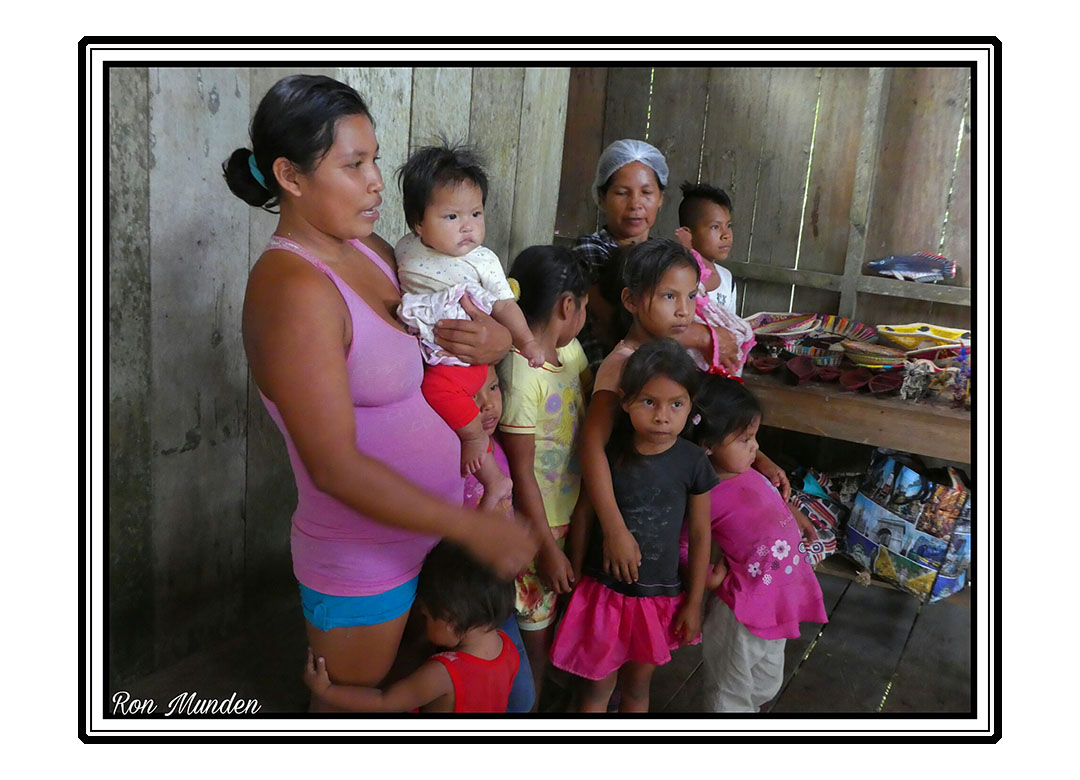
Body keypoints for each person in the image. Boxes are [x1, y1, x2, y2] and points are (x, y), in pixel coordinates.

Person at [223, 74, 536, 707]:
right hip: (367, 556)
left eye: (375, 160)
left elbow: (441, 334)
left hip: (439, 529)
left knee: (439, 696)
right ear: (289, 175)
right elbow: (334, 466)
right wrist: (470, 529)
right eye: (353, 164)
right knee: (352, 710)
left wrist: (498, 343)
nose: (376, 182)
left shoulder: (370, 249)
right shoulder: (292, 289)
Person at [578, 239, 789, 589]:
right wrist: (615, 528)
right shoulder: (622, 365)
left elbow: (708, 419)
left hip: (672, 503)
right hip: (635, 513)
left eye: (691, 296)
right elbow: (591, 445)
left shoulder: (674, 357)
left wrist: (759, 459)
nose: (684, 311)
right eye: (668, 296)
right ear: (630, 300)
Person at [549, 340, 716, 712]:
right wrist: (576, 572)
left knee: (638, 690)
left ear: (691, 406)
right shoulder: (609, 455)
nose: (662, 416)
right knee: (596, 690)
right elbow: (585, 513)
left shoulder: (693, 462)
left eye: (676, 404)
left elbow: (701, 534)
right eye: (649, 402)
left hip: (657, 597)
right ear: (625, 402)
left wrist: (694, 601)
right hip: (602, 594)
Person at [395, 141, 544, 507]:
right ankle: (490, 481)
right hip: (435, 350)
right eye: (451, 217)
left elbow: (504, 304)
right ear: (418, 223)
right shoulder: (404, 248)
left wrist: (526, 341)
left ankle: (478, 445)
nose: (468, 227)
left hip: (463, 360)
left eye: (476, 214)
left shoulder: (483, 260)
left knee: (437, 390)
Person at [682, 375, 827, 712]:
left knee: (765, 682)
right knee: (729, 692)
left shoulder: (747, 470)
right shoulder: (705, 494)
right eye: (746, 439)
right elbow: (683, 544)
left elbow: (765, 504)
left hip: (777, 600)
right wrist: (707, 578)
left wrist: (794, 515)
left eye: (755, 437)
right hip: (740, 610)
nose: (755, 448)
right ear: (708, 445)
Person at [496, 245, 592, 708]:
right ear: (567, 306)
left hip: (572, 513)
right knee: (535, 638)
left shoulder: (569, 352)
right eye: (584, 307)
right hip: (539, 528)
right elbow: (521, 473)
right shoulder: (520, 373)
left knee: (555, 629)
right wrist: (548, 548)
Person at [571, 139, 738, 376]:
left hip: (655, 376)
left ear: (660, 198)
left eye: (647, 193)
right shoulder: (589, 249)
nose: (635, 204)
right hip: (606, 371)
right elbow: (619, 321)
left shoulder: (664, 256)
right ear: (602, 196)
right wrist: (704, 336)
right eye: (622, 193)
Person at [303, 541, 518, 712]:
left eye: (426, 616)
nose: (423, 623)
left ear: (450, 621)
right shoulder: (508, 649)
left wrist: (327, 691)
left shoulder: (442, 675)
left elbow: (384, 701)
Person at [462, 365, 535, 712]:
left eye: (493, 388)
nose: (487, 404)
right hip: (469, 596)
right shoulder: (459, 457)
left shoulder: (497, 446)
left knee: (521, 697)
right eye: (471, 396)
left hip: (501, 590)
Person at [675, 181, 738, 315]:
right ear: (687, 233)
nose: (726, 235)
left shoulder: (727, 280)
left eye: (728, 226)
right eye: (715, 227)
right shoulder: (676, 275)